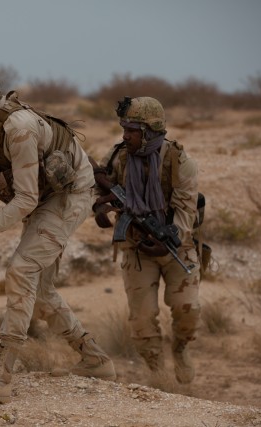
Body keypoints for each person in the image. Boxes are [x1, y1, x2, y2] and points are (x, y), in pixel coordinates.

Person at [0, 57, 115, 403]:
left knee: (21, 270)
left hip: (70, 194)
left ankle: (1, 375)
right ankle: (95, 358)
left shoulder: (18, 128)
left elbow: (26, 199)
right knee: (39, 289)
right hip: (45, 195)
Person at [91, 96, 201, 384]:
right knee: (141, 319)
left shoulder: (179, 160)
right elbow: (96, 186)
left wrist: (170, 238)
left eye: (132, 130)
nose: (125, 135)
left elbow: (186, 209)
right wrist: (100, 208)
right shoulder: (118, 156)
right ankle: (158, 373)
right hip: (137, 247)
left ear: (150, 131)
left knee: (187, 308)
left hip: (179, 245)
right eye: (123, 128)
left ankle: (181, 349)